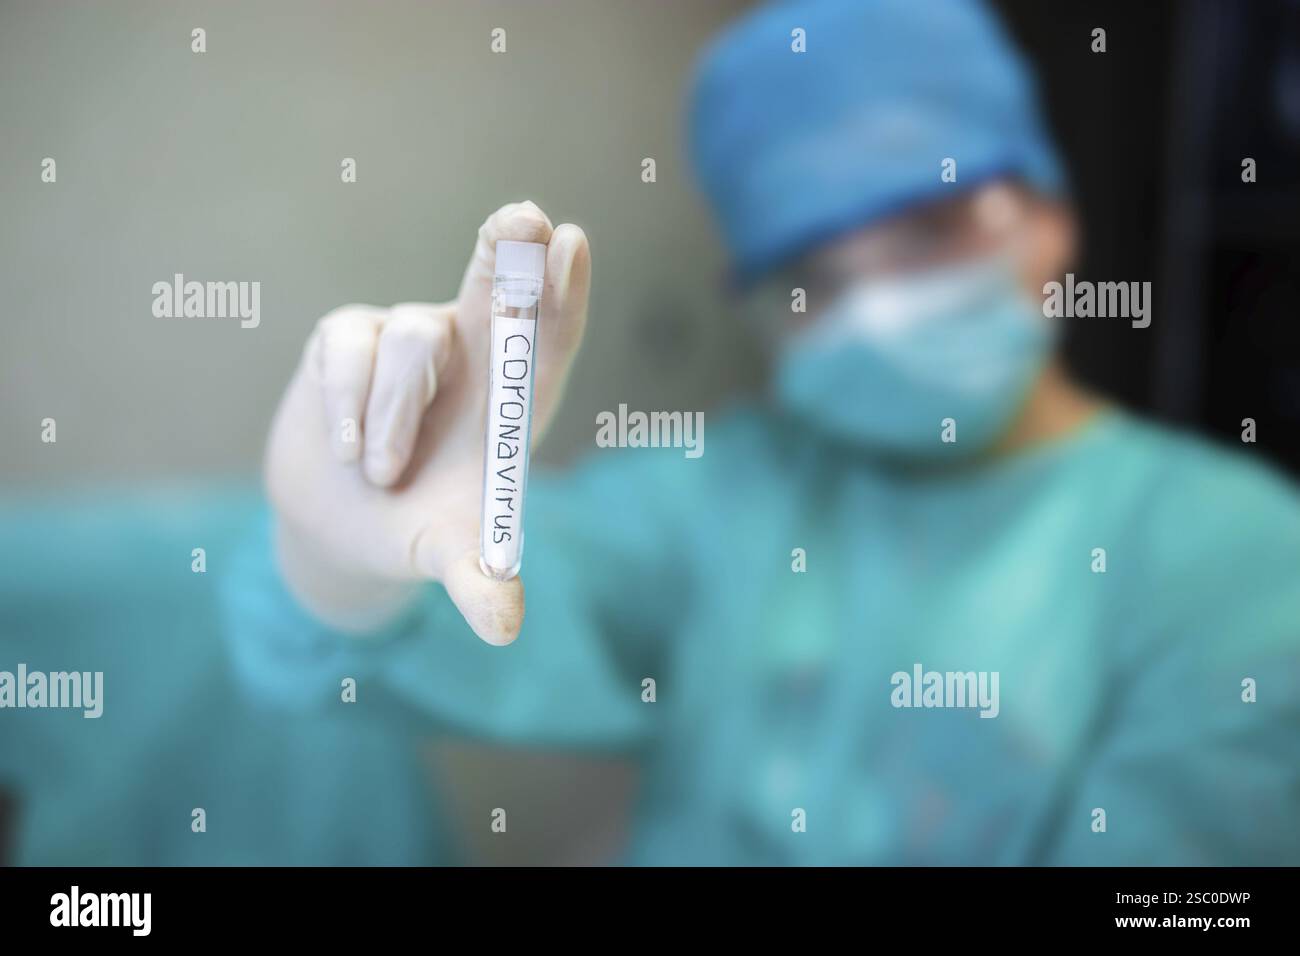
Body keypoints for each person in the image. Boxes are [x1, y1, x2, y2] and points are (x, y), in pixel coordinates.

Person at [223, 0, 1300, 864]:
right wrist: (340, 567)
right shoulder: (720, 501)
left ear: (1050, 213)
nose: (879, 307)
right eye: (812, 278)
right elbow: (401, 632)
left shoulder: (1242, 560)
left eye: (928, 225)